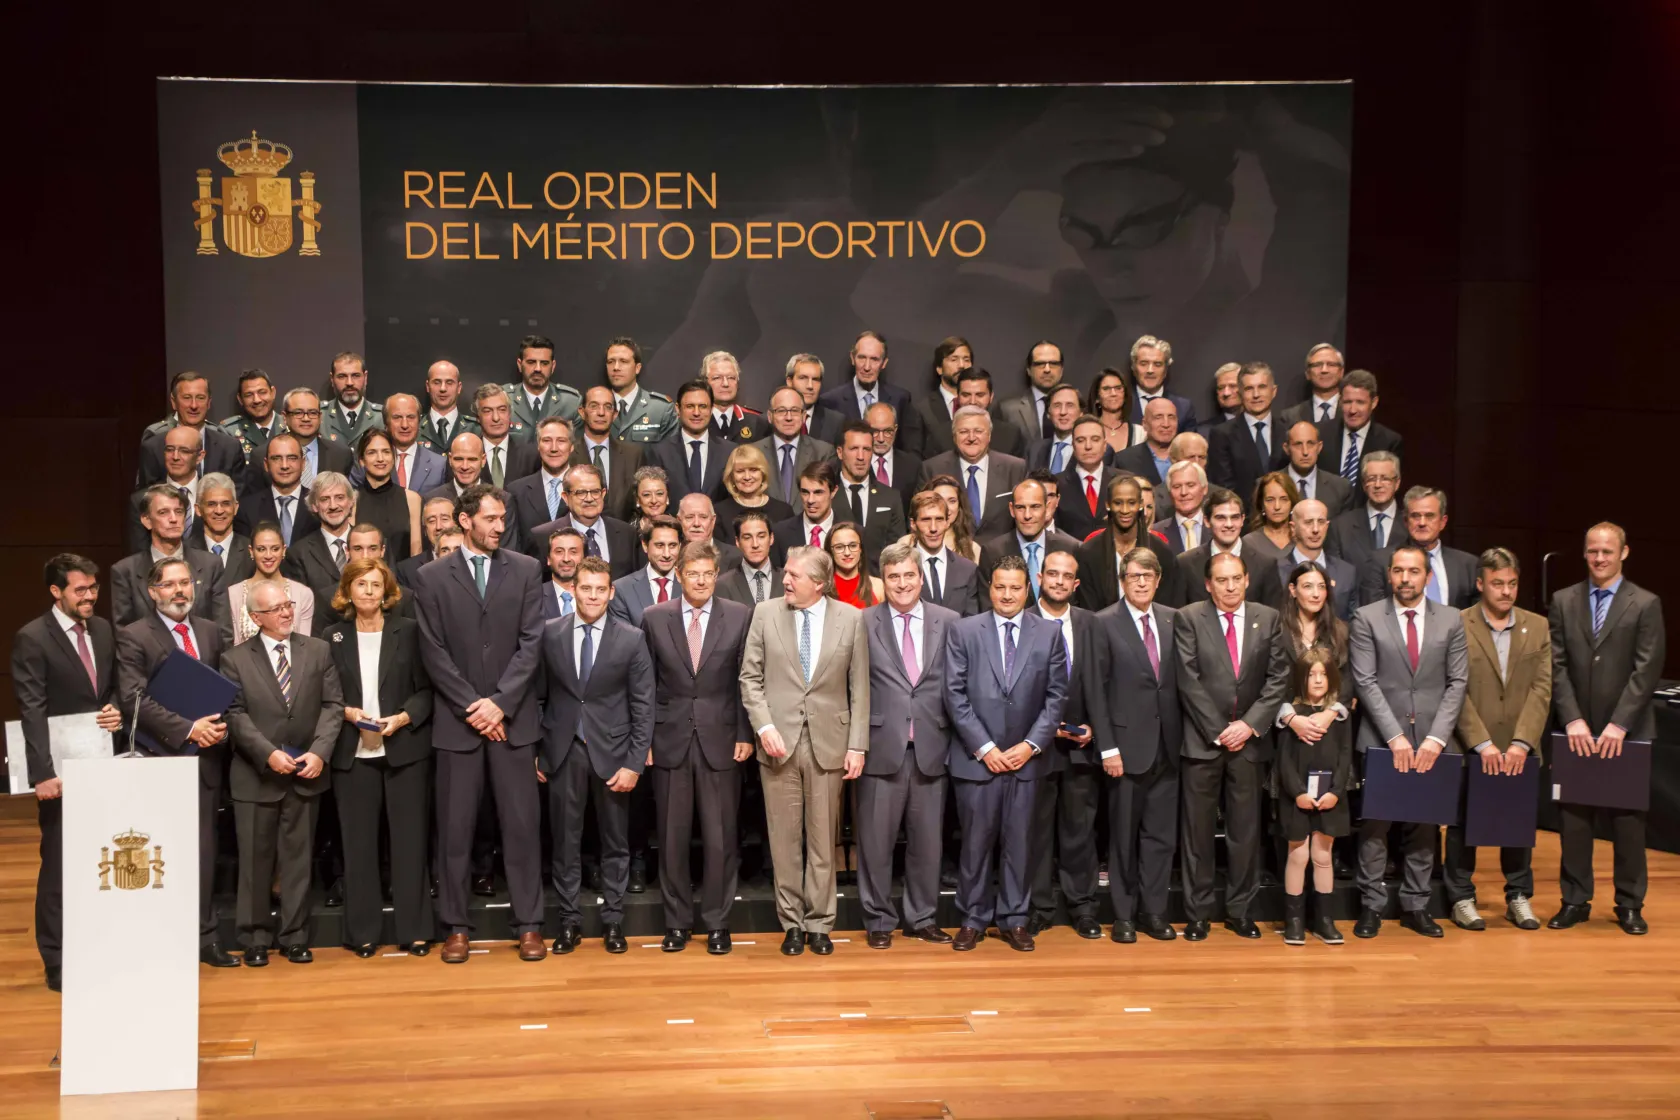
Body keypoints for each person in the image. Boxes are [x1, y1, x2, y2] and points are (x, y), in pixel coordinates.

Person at [413, 484, 549, 964]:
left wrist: (501, 704)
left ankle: (530, 924)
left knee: (522, 827)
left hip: (512, 723)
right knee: (454, 831)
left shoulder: (528, 569)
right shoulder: (431, 577)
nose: (499, 526)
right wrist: (476, 706)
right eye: (490, 518)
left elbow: (532, 643)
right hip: (459, 724)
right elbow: (433, 652)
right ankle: (455, 926)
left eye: (502, 518)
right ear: (464, 520)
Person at [739, 545, 870, 956]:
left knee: (822, 840)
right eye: (786, 573)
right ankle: (791, 924)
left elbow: (860, 687)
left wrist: (858, 745)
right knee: (783, 840)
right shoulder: (765, 613)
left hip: (830, 742)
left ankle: (820, 924)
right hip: (778, 745)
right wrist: (764, 727)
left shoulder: (851, 618)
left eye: (794, 575)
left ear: (819, 582)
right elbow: (749, 678)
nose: (785, 580)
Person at [12, 555, 124, 990]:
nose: (91, 596)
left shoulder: (102, 628)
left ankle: (97, 942)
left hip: (104, 762)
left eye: (94, 588)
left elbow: (110, 684)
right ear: (56, 592)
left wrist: (113, 705)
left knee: (102, 857)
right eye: (81, 589)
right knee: (59, 862)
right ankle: (56, 959)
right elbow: (31, 708)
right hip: (61, 769)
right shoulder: (32, 638)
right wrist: (42, 772)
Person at [1547, 523, 1666, 935]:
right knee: (1575, 822)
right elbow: (1556, 665)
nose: (1599, 558)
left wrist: (1619, 724)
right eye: (1593, 551)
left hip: (1626, 734)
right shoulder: (1563, 600)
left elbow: (1647, 670)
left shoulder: (1645, 603)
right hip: (1576, 730)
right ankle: (1575, 901)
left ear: (1624, 553)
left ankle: (1630, 904)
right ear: (1584, 553)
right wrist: (1573, 718)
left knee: (1628, 824)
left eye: (1607, 552)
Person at [944, 557, 1068, 951]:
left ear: (1027, 589)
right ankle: (973, 918)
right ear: (990, 588)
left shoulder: (1048, 633)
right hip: (978, 760)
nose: (1008, 594)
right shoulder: (963, 631)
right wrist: (986, 749)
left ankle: (1015, 918)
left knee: (1020, 844)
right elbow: (954, 695)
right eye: (1000, 587)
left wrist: (1030, 746)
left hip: (1026, 762)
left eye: (1015, 587)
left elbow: (1056, 697)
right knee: (975, 844)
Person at [114, 557, 233, 965]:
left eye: (185, 583)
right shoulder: (133, 635)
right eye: (169, 585)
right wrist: (188, 728)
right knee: (158, 851)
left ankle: (205, 937)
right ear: (152, 591)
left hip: (206, 759)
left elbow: (227, 689)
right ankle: (160, 938)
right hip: (158, 757)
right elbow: (133, 699)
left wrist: (218, 727)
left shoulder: (211, 632)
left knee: (203, 850)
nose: (179, 591)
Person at [1348, 545, 1470, 938]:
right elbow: (1364, 681)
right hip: (1383, 741)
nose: (1405, 578)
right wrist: (1396, 737)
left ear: (1427, 576)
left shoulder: (1451, 620)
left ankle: (1417, 905)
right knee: (1375, 826)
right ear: (1389, 575)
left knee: (1423, 826)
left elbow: (1458, 682)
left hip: (1433, 741)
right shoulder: (1367, 617)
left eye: (1413, 571)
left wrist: (1436, 738)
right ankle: (1371, 905)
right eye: (1398, 571)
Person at [222, 578, 343, 965]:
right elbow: (235, 715)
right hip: (257, 775)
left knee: (298, 860)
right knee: (256, 863)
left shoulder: (319, 650)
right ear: (256, 617)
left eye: (287, 605)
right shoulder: (235, 659)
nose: (286, 612)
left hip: (306, 772)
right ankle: (255, 938)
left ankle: (294, 935)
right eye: (276, 609)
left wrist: (320, 752)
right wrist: (267, 753)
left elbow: (332, 706)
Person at [537, 557, 654, 954]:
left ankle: (614, 922)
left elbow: (644, 706)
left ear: (611, 592)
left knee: (615, 843)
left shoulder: (631, 638)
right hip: (563, 752)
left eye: (599, 589)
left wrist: (634, 763)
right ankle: (568, 922)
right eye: (585, 588)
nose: (592, 595)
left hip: (614, 755)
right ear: (573, 590)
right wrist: (541, 751)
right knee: (565, 843)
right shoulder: (550, 634)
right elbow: (538, 696)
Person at [1175, 551, 1292, 940]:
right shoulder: (1190, 617)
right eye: (1221, 580)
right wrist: (1219, 729)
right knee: (1198, 833)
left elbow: (1278, 678)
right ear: (1209, 584)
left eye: (1235, 579)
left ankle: (1240, 909)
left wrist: (1248, 726)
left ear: (1246, 580)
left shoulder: (1268, 618)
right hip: (1202, 743)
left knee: (1245, 833)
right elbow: (1187, 679)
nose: (1229, 586)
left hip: (1249, 744)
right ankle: (1198, 913)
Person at [644, 541, 754, 954]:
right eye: (693, 574)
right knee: (672, 839)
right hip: (669, 740)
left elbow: (747, 681)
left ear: (716, 574)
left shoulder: (740, 616)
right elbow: (646, 685)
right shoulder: (654, 619)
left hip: (723, 740)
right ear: (678, 576)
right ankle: (676, 924)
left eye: (708, 573)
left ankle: (717, 924)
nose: (702, 581)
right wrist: (647, 740)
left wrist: (746, 733)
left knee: (720, 838)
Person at [321, 557, 434, 956]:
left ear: (387, 592)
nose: (368, 592)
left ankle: (415, 929)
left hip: (404, 750)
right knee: (358, 847)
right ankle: (363, 932)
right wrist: (349, 713)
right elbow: (326, 696)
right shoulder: (331, 637)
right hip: (353, 754)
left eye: (375, 585)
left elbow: (426, 691)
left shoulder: (410, 631)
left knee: (409, 843)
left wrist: (404, 717)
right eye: (361, 584)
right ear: (347, 590)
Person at [1437, 548, 1550, 932]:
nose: (1506, 591)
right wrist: (1481, 743)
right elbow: (1456, 688)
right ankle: (1462, 898)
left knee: (1517, 825)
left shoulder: (1537, 626)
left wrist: (1521, 743)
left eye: (1512, 583)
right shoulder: (1457, 623)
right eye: (1498, 583)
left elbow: (1541, 688)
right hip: (1472, 745)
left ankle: (1519, 896)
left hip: (1520, 746)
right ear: (1481, 584)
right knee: (1462, 824)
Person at [857, 543, 959, 948]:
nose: (902, 584)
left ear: (921, 578)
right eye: (894, 576)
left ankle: (922, 917)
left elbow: (958, 683)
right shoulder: (862, 622)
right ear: (885, 581)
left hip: (933, 747)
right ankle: (879, 920)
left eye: (909, 575)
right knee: (876, 844)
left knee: (927, 844)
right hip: (880, 746)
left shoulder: (949, 621)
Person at [1093, 547, 1181, 943]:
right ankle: (1124, 916)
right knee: (1124, 839)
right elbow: (1095, 691)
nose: (1141, 582)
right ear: (1122, 581)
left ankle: (1154, 912)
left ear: (1158, 580)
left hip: (1169, 747)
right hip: (1125, 751)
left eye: (1147, 576)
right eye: (1133, 576)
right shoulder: (1104, 623)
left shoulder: (1173, 620)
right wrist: (1108, 748)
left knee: (1160, 838)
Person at [1025, 550, 1105, 938]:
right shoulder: (1021, 622)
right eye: (1052, 574)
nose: (1058, 581)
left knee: (1080, 830)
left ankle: (1083, 907)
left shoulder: (1092, 624)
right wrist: (1040, 729)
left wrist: (1095, 730)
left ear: (1076, 583)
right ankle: (1039, 906)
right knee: (1036, 833)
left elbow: (1104, 684)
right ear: (1040, 577)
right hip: (1035, 748)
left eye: (1066, 576)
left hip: (1081, 746)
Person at [1274, 648, 1352, 945]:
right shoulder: (1293, 717)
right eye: (1311, 675)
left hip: (1330, 799)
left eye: (1323, 674)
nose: (1318, 680)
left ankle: (1324, 920)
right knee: (1298, 855)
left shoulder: (1340, 717)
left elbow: (1345, 758)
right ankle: (1294, 920)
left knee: (1322, 856)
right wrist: (1298, 793)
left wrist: (1335, 792)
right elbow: (1284, 761)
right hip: (1299, 799)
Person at [1354, 485, 1478, 610]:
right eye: (1415, 516)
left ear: (1443, 522)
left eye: (1429, 516)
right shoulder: (1380, 561)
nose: (1422, 523)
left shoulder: (1468, 565)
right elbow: (1373, 615)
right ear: (1406, 521)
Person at [112, 483, 220, 626]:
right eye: (163, 512)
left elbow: (222, 630)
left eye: (179, 511)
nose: (173, 519)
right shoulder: (125, 571)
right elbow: (123, 632)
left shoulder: (210, 565)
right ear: (147, 521)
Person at [1074, 473, 1184, 612]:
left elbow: (1169, 607)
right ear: (1108, 505)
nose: (1125, 510)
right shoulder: (1088, 553)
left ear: (1140, 505)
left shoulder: (1161, 551)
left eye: (1131, 503)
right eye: (1118, 503)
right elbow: (1087, 610)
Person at [918, 406, 1028, 540]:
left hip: (1002, 554)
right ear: (954, 436)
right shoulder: (932, 468)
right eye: (963, 432)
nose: (971, 438)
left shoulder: (1015, 467)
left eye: (978, 431)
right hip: (953, 553)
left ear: (989, 435)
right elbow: (920, 516)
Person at [1176, 486, 1284, 609]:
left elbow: (1274, 618)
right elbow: (1179, 615)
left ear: (1242, 520)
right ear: (1206, 521)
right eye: (1220, 518)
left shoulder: (1265, 564)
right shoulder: (1185, 564)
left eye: (1234, 517)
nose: (1229, 524)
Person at [978, 479, 1079, 607]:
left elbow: (1077, 603)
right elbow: (987, 606)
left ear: (1047, 508)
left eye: (1035, 507)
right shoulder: (993, 551)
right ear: (1011, 509)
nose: (1027, 515)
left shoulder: (1070, 548)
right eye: (1020, 507)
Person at [138, 370, 247, 487]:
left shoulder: (230, 448)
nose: (194, 405)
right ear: (174, 402)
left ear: (209, 403)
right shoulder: (153, 447)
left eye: (200, 398)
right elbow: (144, 496)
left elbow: (239, 496)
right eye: (186, 397)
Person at [527, 463, 636, 579]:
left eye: (595, 491)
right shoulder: (542, 536)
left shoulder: (627, 534)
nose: (589, 499)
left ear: (603, 494)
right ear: (565, 497)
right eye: (581, 493)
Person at [818, 330, 920, 452]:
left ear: (884, 363)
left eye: (874, 359)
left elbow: (910, 450)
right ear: (852, 358)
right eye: (862, 357)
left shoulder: (900, 399)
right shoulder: (831, 401)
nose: (867, 367)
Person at [221, 522, 318, 645]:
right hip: (245, 663)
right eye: (261, 549)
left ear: (284, 550)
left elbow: (303, 646)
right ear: (251, 551)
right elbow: (233, 648)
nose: (268, 555)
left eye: (275, 549)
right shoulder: (233, 594)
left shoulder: (303, 594)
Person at [1207, 361, 1287, 505]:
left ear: (1274, 391)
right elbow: (1224, 488)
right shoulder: (1222, 434)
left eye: (1262, 387)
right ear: (1240, 393)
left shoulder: (1287, 431)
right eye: (1249, 388)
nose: (1256, 395)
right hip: (1243, 521)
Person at [834, 421, 908, 569]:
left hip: (878, 584)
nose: (861, 456)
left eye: (867, 449)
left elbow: (897, 551)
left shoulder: (890, 497)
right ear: (840, 452)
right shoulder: (827, 496)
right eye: (854, 448)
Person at [648, 378, 730, 504]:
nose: (696, 413)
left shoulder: (729, 452)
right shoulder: (660, 452)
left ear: (711, 409)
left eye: (703, 406)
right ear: (677, 409)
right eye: (690, 406)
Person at [284, 471, 357, 612]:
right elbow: (297, 607)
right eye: (325, 499)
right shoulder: (298, 553)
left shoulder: (373, 544)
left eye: (340, 497)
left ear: (351, 501)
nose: (333, 505)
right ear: (314, 506)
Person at [127, 421, 204, 551]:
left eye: (184, 451)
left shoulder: (214, 496)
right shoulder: (141, 500)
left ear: (199, 457)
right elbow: (139, 555)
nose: (175, 457)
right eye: (169, 450)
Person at [753, 386, 835, 507]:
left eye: (795, 411)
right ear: (770, 416)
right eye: (781, 411)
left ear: (803, 416)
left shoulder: (823, 452)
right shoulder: (754, 453)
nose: (789, 418)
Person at [1325, 449, 1405, 572]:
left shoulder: (1411, 525)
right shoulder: (1340, 527)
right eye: (1371, 479)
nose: (1378, 485)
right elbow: (1337, 577)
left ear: (1397, 483)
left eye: (1385, 478)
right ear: (1363, 484)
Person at [1277, 499, 1358, 621]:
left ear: (1327, 526)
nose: (1316, 529)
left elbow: (1354, 622)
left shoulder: (1346, 572)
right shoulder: (1275, 571)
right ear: (1293, 528)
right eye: (1308, 522)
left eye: (1321, 522)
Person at [573, 385, 646, 519]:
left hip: (623, 535)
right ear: (582, 412)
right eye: (594, 406)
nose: (601, 412)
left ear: (615, 414)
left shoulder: (633, 455)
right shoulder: (568, 453)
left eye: (608, 407)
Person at [1318, 369, 1402, 484]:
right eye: (1347, 402)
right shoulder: (1321, 434)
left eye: (1360, 402)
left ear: (1374, 403)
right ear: (1340, 401)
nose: (1352, 410)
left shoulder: (1389, 441)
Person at [234, 432, 318, 545]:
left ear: (303, 464)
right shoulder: (246, 509)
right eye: (276, 458)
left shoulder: (318, 504)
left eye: (292, 458)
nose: (284, 465)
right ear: (266, 464)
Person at [909, 490, 981, 616]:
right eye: (926, 520)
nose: (933, 528)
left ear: (947, 522)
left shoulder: (968, 569)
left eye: (939, 519)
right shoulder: (901, 569)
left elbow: (971, 622)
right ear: (913, 524)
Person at [353, 428, 422, 560]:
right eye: (372, 453)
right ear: (362, 460)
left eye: (386, 452)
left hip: (402, 579)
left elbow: (416, 553)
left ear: (394, 457)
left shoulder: (412, 499)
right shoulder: (352, 500)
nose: (380, 459)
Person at [502, 332, 582, 437]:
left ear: (553, 366)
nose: (538, 369)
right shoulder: (503, 399)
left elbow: (578, 447)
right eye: (531, 362)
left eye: (544, 363)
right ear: (520, 365)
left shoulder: (570, 403)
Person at [1055, 414, 1120, 544]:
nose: (1088, 446)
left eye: (1095, 439)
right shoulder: (1057, 484)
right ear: (1073, 445)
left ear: (1105, 445)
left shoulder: (1123, 481)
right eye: (1081, 440)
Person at [505, 416, 574, 537]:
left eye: (561, 441)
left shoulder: (587, 489)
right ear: (538, 445)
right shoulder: (516, 491)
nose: (554, 448)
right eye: (547, 440)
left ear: (571, 446)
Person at [600, 335, 677, 443]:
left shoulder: (661, 410)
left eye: (623, 361)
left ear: (637, 368)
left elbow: (671, 456)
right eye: (611, 361)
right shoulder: (594, 409)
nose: (616, 367)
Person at [609, 514, 683, 626]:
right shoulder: (622, 590)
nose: (667, 554)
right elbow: (623, 639)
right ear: (645, 545)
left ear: (680, 546)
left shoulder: (692, 586)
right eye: (659, 545)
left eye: (672, 545)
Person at [910, 335, 974, 459]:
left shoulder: (985, 405)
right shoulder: (922, 410)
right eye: (954, 359)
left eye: (966, 359)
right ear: (939, 368)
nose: (961, 365)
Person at [714, 443, 795, 538]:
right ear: (731, 476)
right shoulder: (719, 512)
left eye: (753, 470)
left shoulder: (783, 511)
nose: (747, 477)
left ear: (763, 473)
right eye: (740, 471)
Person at [280, 387, 355, 486]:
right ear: (285, 417)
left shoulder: (341, 455)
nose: (306, 418)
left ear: (320, 417)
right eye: (298, 413)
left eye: (312, 413)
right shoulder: (265, 455)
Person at [1128, 335, 1200, 435]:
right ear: (1134, 367)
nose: (1150, 370)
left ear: (1166, 369)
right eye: (1144, 363)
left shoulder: (1183, 408)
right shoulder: (1121, 405)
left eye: (1157, 364)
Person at [377, 393, 447, 494]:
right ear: (386, 422)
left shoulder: (440, 465)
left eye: (411, 417)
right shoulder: (372, 462)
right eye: (397, 417)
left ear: (419, 421)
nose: (404, 425)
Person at [191, 472, 254, 584]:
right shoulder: (186, 552)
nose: (219, 511)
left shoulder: (252, 552)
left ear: (235, 508)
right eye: (211, 504)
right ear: (198, 509)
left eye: (226, 503)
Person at [473, 383, 539, 489]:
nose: (496, 418)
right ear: (477, 417)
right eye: (487, 411)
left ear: (509, 413)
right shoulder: (468, 454)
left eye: (502, 410)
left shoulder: (531, 455)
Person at [773, 460, 841, 562]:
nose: (810, 500)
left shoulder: (852, 532)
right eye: (805, 492)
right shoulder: (781, 532)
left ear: (833, 491)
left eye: (818, 492)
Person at [950, 366, 1026, 457]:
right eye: (966, 395)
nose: (973, 401)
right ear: (957, 397)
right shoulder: (939, 436)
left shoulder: (1011, 435)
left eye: (980, 395)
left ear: (991, 397)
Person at [1281, 420, 1352, 517]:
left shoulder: (1340, 488)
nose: (1305, 452)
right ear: (1286, 448)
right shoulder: (1269, 486)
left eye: (1310, 444)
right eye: (1298, 444)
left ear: (1319, 447)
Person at [999, 340, 1065, 442]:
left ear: (1061, 370)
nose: (1047, 369)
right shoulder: (1007, 410)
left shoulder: (1078, 410)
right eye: (1040, 364)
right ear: (1029, 370)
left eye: (1053, 363)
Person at [863, 402, 923, 513]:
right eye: (874, 431)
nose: (881, 438)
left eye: (888, 431)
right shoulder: (856, 464)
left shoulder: (913, 466)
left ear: (895, 430)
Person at [218, 367, 285, 466]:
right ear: (240, 399)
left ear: (273, 392)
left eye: (262, 392)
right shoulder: (229, 432)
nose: (257, 400)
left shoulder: (289, 426)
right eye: (249, 395)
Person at [717, 511, 783, 608]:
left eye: (761, 536)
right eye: (747, 538)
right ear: (737, 542)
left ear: (771, 538)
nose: (755, 544)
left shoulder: (788, 580)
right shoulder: (723, 585)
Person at [702, 350, 769, 444]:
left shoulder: (757, 423)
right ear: (705, 383)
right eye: (717, 378)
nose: (725, 383)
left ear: (737, 382)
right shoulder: (696, 420)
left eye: (731, 378)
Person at [321, 351, 384, 448]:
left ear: (365, 377)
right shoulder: (319, 416)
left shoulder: (382, 417)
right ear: (332, 379)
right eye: (342, 376)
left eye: (355, 376)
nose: (349, 383)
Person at [396, 496, 460, 590]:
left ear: (457, 523)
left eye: (445, 519)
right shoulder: (407, 570)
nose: (438, 527)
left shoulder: (475, 561)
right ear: (425, 530)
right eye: (432, 521)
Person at [1279, 343, 1346, 430]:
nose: (1324, 370)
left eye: (1331, 364)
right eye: (1317, 365)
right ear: (1308, 373)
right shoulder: (1290, 417)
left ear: (1341, 372)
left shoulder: (1353, 412)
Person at [420, 360, 480, 455]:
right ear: (427, 386)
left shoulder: (476, 429)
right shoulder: (414, 428)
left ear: (459, 388)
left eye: (449, 382)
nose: (443, 388)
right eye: (437, 382)